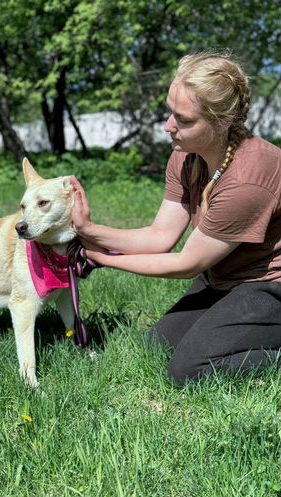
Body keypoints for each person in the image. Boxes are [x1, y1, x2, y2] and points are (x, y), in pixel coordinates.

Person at [71, 51, 281, 386]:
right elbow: (159, 235)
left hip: (269, 286)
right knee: (157, 347)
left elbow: (187, 263)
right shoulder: (186, 156)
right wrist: (88, 231)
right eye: (171, 112)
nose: (168, 126)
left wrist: (102, 259)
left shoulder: (247, 178)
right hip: (222, 278)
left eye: (183, 120)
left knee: (189, 371)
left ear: (221, 123)